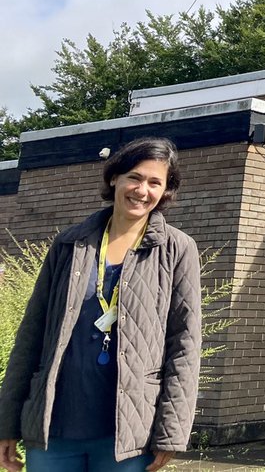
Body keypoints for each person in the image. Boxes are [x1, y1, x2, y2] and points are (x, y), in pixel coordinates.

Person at [0, 137, 202, 472]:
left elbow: (185, 345)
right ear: (114, 178)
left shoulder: (177, 250)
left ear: (165, 191)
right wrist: (6, 423)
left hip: (126, 436)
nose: (142, 190)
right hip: (54, 430)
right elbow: (30, 336)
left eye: (155, 182)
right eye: (134, 177)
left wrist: (172, 432)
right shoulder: (69, 243)